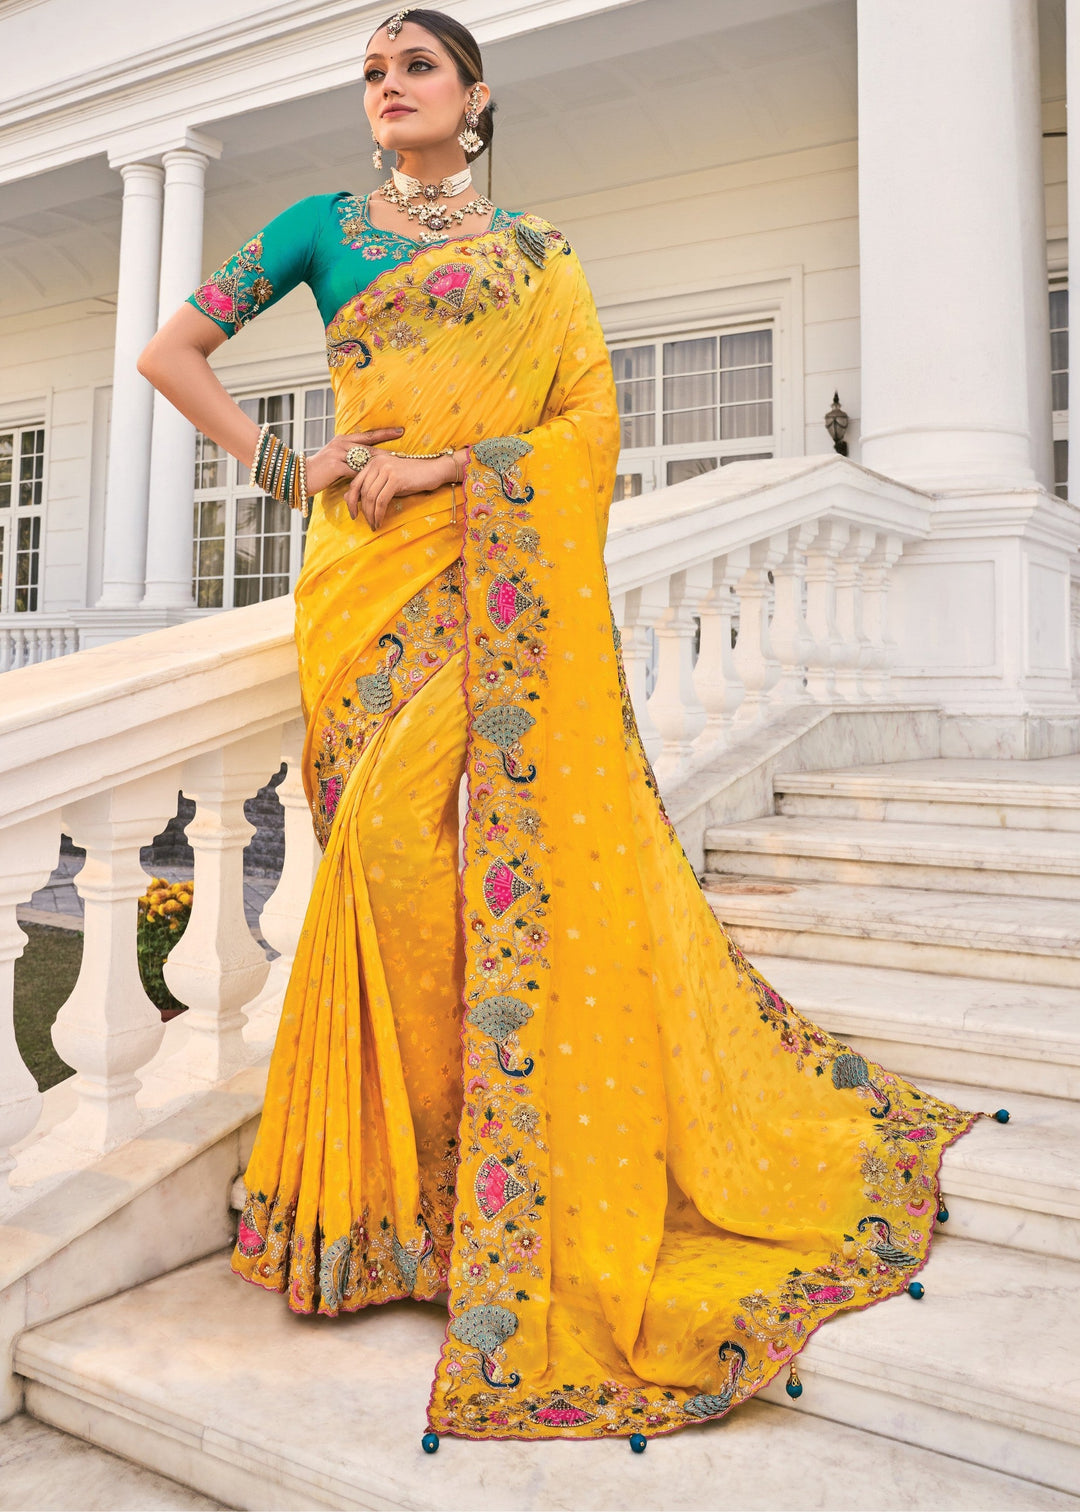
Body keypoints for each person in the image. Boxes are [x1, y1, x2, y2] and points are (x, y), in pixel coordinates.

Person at [138, 5, 995, 1448]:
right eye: (372, 71)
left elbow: (589, 426)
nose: (389, 86)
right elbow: (172, 356)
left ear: (475, 95)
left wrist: (449, 467)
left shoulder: (541, 256)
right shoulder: (316, 227)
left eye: (417, 66)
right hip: (362, 588)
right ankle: (385, 1210)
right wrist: (295, 466)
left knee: (481, 874)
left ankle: (480, 1192)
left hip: (478, 558)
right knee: (383, 870)